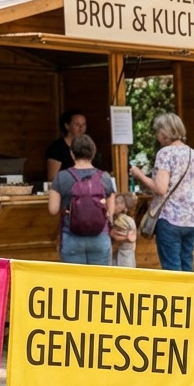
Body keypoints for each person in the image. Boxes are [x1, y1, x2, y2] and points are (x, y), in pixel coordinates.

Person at [130, 113, 194, 272]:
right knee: (186, 265)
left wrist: (140, 175)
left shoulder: (165, 153)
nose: (157, 136)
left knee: (172, 269)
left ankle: (176, 296)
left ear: (164, 132)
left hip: (170, 219)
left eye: (157, 132)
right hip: (192, 219)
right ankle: (189, 296)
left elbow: (160, 189)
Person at [48, 134, 115, 265]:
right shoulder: (104, 177)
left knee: (75, 283)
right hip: (100, 237)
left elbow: (53, 209)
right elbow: (110, 213)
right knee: (99, 282)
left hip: (71, 237)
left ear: (72, 153)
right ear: (93, 153)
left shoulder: (62, 177)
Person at [46, 109, 88, 182]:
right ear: (67, 126)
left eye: (83, 124)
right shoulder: (57, 148)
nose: (81, 128)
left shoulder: (86, 146)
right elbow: (52, 178)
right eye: (77, 124)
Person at [111, 191, 138, 267]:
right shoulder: (128, 220)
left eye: (116, 203)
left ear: (124, 207)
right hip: (126, 253)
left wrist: (112, 234)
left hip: (124, 255)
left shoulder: (123, 220)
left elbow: (129, 237)